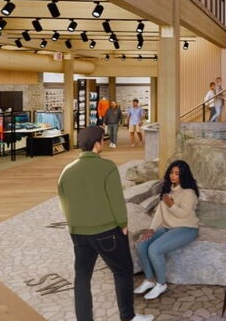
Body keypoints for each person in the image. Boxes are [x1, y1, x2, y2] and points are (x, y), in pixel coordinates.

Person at [57, 126, 154, 321]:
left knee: (82, 277)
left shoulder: (66, 171)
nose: (104, 142)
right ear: (97, 144)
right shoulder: (107, 167)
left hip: (78, 233)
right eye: (103, 139)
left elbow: (63, 202)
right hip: (107, 232)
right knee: (122, 271)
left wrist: (75, 224)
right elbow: (116, 200)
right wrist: (123, 223)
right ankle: (128, 317)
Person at [134, 160, 200, 300]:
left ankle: (161, 284)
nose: (173, 176)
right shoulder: (168, 188)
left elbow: (183, 214)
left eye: (177, 173)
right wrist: (151, 229)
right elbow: (159, 212)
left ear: (184, 175)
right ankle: (150, 280)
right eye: (171, 172)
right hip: (168, 227)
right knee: (141, 244)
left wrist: (171, 205)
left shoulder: (189, 193)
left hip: (186, 228)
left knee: (154, 249)